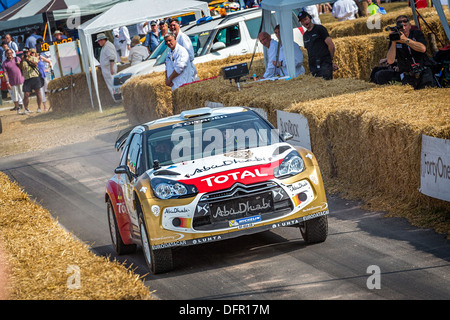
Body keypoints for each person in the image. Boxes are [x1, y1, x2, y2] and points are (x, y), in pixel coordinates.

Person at [386, 15, 436, 89]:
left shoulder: (417, 34)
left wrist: (406, 40)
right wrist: (394, 42)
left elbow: (423, 49)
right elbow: (390, 61)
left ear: (409, 26)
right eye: (400, 27)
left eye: (405, 25)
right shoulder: (395, 39)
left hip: (423, 71)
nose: (403, 28)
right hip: (407, 74)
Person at [298, 11, 338, 80]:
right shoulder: (305, 35)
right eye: (302, 21)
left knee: (327, 85)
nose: (304, 22)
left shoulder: (320, 29)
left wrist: (330, 61)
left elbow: (331, 45)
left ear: (310, 18)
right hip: (313, 67)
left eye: (305, 19)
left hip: (324, 65)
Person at [20, 48, 43, 114]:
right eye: (24, 52)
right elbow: (21, 68)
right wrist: (22, 60)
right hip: (27, 78)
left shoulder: (33, 58)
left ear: (29, 52)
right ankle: (26, 109)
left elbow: (35, 64)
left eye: (27, 52)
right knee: (26, 94)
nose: (25, 53)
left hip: (35, 77)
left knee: (37, 92)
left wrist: (28, 59)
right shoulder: (23, 60)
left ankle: (39, 107)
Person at [2, 49, 24, 114]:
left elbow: (22, 67)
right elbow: (5, 73)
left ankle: (26, 108)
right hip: (12, 82)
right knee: (15, 96)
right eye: (8, 53)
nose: (9, 54)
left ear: (12, 53)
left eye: (10, 53)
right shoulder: (5, 63)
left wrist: (19, 64)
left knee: (23, 95)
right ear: (6, 55)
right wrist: (7, 82)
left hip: (20, 79)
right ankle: (18, 109)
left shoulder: (17, 59)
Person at [96, 33, 118, 99]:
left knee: (113, 85)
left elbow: (111, 58)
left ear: (102, 40)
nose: (98, 42)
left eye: (99, 41)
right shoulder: (105, 46)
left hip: (109, 69)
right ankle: (116, 98)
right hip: (107, 68)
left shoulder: (108, 46)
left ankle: (117, 98)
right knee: (111, 85)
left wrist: (111, 68)